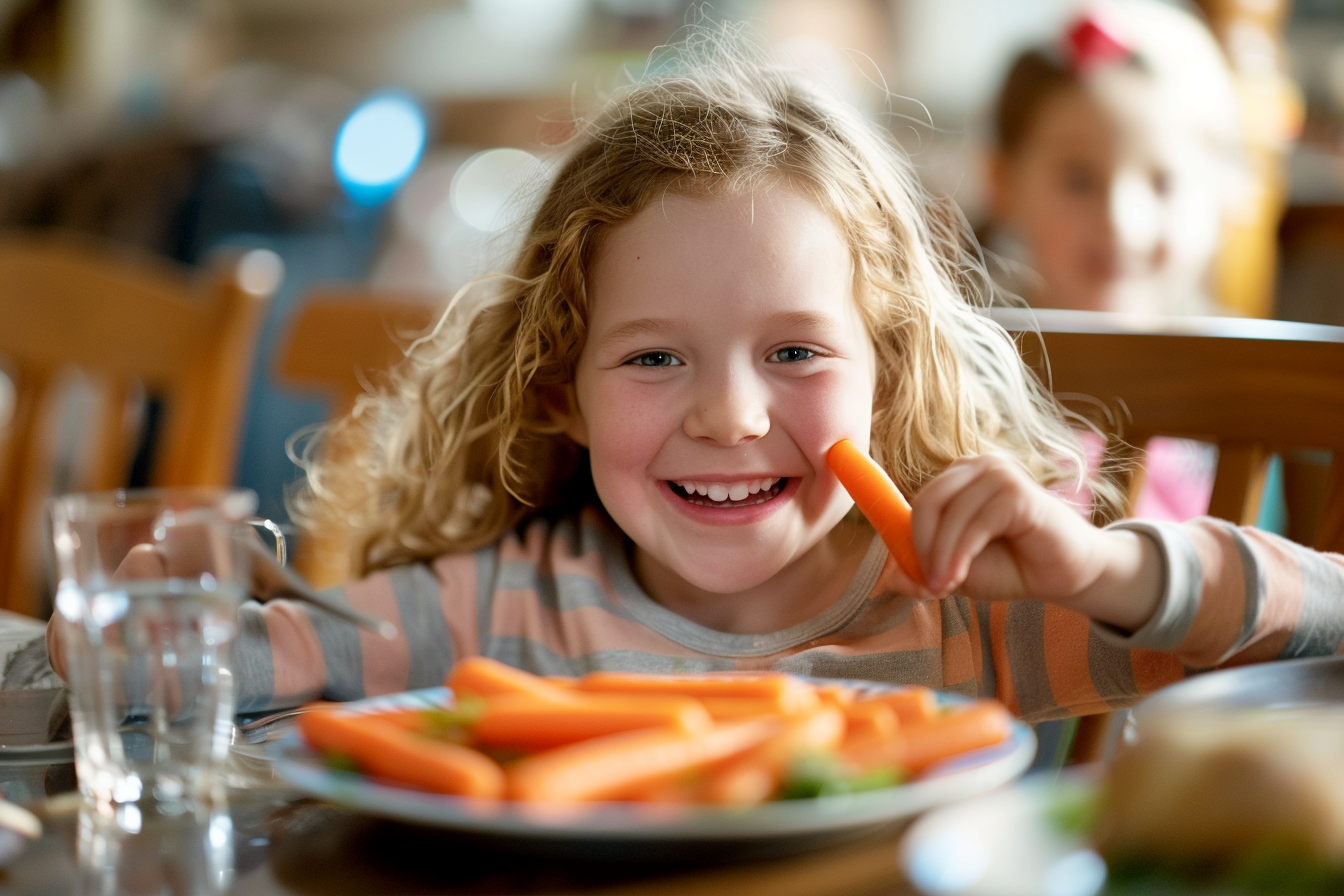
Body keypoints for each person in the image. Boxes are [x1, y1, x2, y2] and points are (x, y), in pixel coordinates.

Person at [47, 28, 1344, 724]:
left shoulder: (975, 615)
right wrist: (134, 639)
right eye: (657, 357)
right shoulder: (504, 614)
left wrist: (1104, 571)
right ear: (559, 387)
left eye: (795, 352)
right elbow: (82, 697)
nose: (729, 414)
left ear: (887, 378)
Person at [982, 1, 1252, 524]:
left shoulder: (1242, 382)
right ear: (1003, 182)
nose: (1121, 222)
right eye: (1080, 180)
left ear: (1221, 193)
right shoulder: (965, 367)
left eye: (1164, 182)